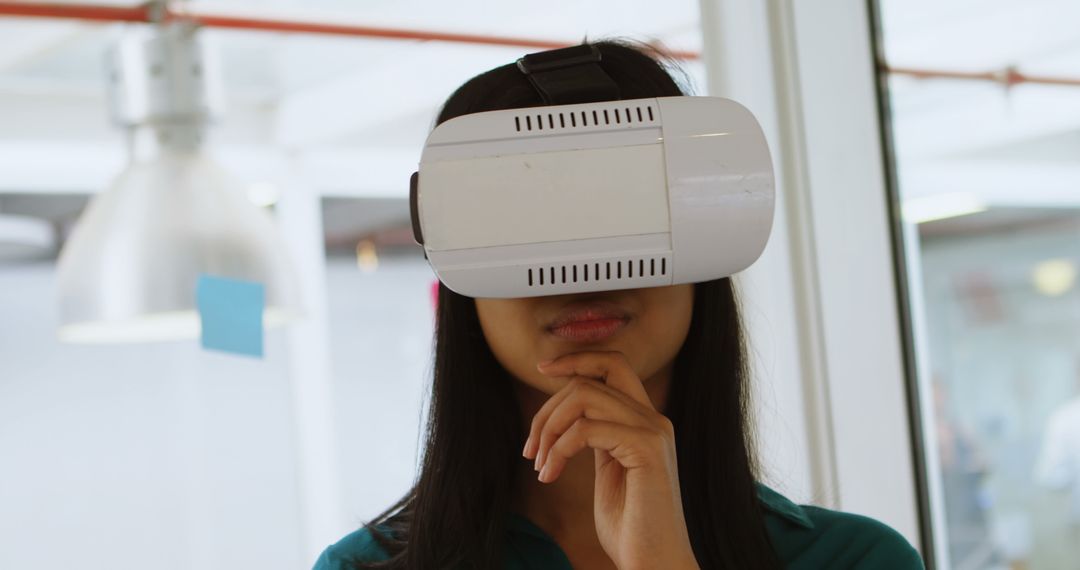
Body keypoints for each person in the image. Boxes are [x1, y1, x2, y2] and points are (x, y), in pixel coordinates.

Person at [314, 39, 924, 570]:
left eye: (627, 210)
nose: (581, 276)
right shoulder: (360, 569)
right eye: (528, 218)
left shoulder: (859, 561)